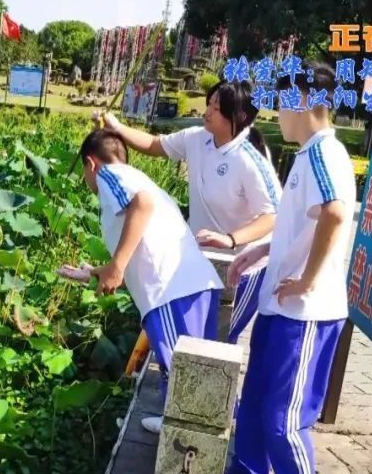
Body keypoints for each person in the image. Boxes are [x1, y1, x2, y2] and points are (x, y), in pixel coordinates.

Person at [223, 62, 355, 474]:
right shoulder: (306, 156)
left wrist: (307, 282)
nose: (276, 114)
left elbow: (336, 215)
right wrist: (258, 250)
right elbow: (300, 226)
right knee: (256, 403)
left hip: (304, 315)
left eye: (281, 103)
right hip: (281, 310)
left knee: (283, 419)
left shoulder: (325, 154)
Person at [95, 79, 281, 345]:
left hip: (243, 263)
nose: (207, 111)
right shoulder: (198, 138)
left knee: (218, 341)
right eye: (209, 104)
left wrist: (230, 239)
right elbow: (154, 144)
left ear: (237, 116)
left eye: (216, 108)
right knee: (195, 339)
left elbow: (272, 216)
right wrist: (116, 127)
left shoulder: (249, 160)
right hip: (202, 255)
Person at [63, 129, 223, 435]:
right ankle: (180, 432)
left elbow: (143, 204)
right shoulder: (134, 177)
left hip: (171, 292)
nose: (86, 180)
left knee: (188, 380)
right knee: (196, 376)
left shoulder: (110, 174)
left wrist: (117, 266)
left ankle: (189, 457)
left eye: (84, 173)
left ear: (90, 163)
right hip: (189, 286)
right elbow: (140, 245)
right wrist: (99, 271)